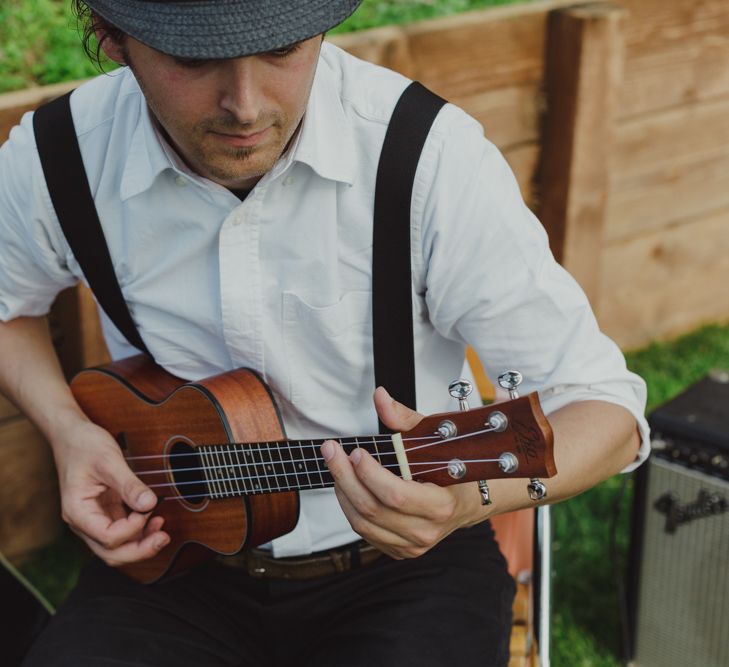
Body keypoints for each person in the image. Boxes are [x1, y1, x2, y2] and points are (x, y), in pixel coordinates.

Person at [0, 1, 649, 665]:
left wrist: (468, 497)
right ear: (112, 37)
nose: (245, 106)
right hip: (173, 556)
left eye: (282, 49)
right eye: (194, 59)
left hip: (404, 567)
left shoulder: (424, 157)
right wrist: (67, 430)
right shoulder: (60, 155)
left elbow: (604, 407)